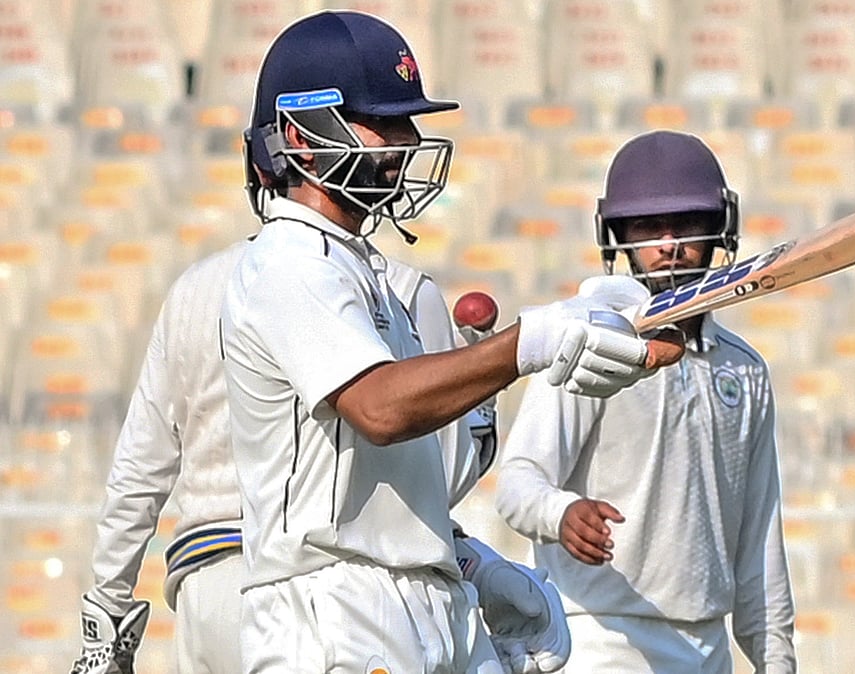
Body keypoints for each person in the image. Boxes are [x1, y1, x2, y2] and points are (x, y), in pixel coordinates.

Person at [220, 10, 678, 674]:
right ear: (302, 133)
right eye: (384, 122)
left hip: (418, 598)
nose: (407, 143)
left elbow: (396, 478)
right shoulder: (288, 264)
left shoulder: (368, 273)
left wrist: (466, 562)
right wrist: (529, 343)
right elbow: (380, 410)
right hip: (329, 610)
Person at [71, 242, 568, 673]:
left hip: (207, 592)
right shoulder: (401, 289)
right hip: (326, 591)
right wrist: (480, 411)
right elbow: (437, 483)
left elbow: (139, 468)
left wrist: (108, 609)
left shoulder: (195, 287)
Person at [495, 130, 797, 673]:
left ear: (719, 228)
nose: (669, 243)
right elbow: (518, 483)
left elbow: (760, 542)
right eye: (647, 226)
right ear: (617, 236)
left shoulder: (744, 369)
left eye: (687, 223)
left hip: (706, 644)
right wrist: (561, 512)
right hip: (596, 637)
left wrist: (777, 662)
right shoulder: (591, 341)